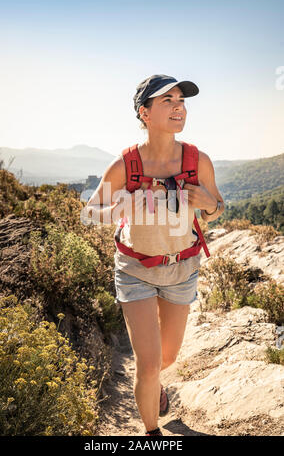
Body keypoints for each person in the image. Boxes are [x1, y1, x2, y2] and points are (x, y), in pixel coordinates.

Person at [85, 74, 225, 436]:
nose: (179, 106)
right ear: (144, 113)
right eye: (168, 100)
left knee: (166, 359)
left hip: (182, 269)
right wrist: (116, 210)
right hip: (135, 271)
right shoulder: (126, 165)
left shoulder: (198, 160)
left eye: (181, 100)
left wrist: (208, 203)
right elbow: (89, 212)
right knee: (148, 365)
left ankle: (155, 387)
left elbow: (217, 208)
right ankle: (151, 432)